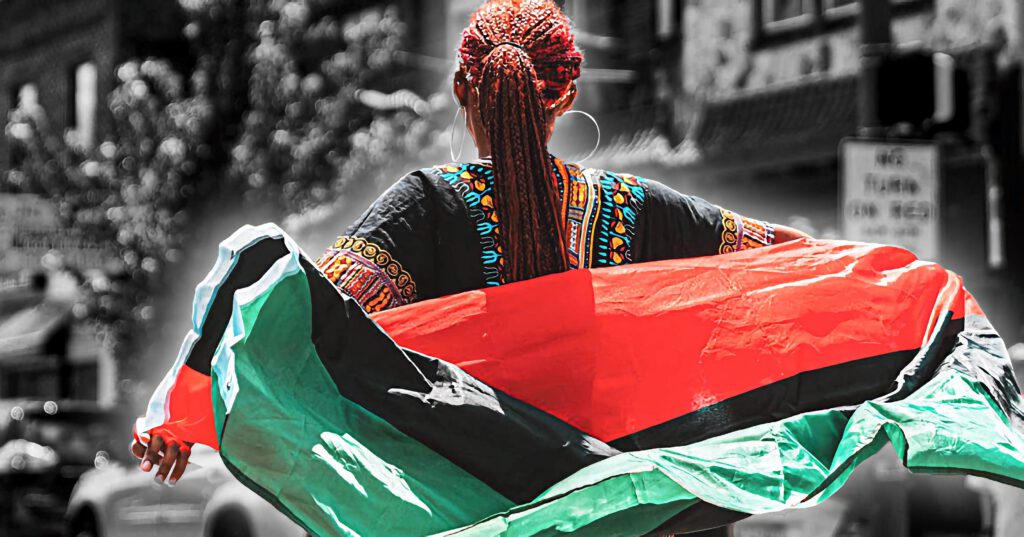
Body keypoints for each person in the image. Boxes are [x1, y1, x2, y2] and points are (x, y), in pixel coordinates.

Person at [131, 0, 807, 531]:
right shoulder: (642, 211)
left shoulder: (426, 208)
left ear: (462, 89)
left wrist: (183, 408)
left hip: (465, 515)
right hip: (615, 512)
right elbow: (792, 267)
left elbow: (304, 310)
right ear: (567, 95)